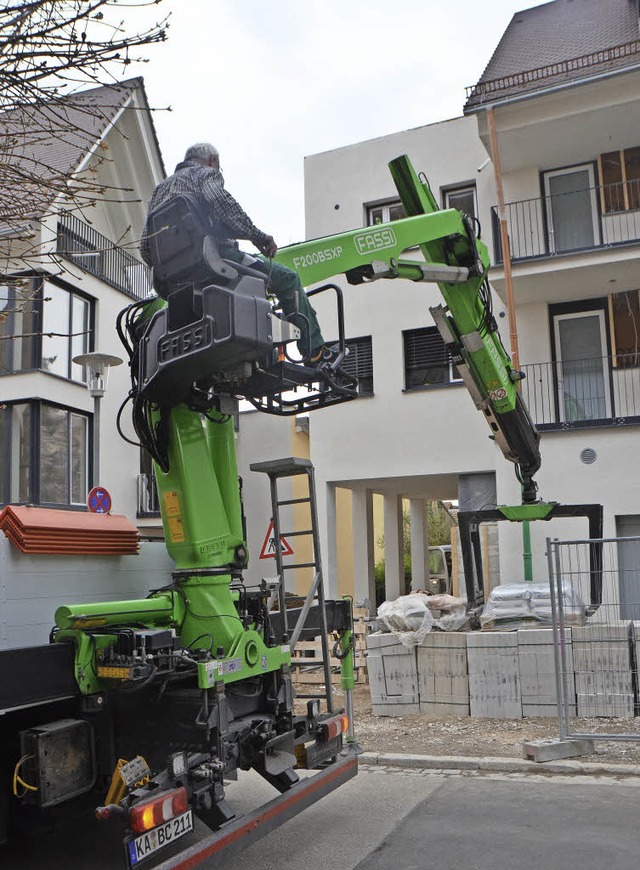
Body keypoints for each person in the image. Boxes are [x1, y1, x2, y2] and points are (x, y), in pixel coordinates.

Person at [140, 142, 329, 363]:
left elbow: (145, 247)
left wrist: (174, 264)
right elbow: (222, 204)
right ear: (213, 161)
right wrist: (258, 236)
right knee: (287, 279)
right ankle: (314, 352)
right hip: (213, 258)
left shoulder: (158, 192)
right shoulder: (205, 174)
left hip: (173, 281)